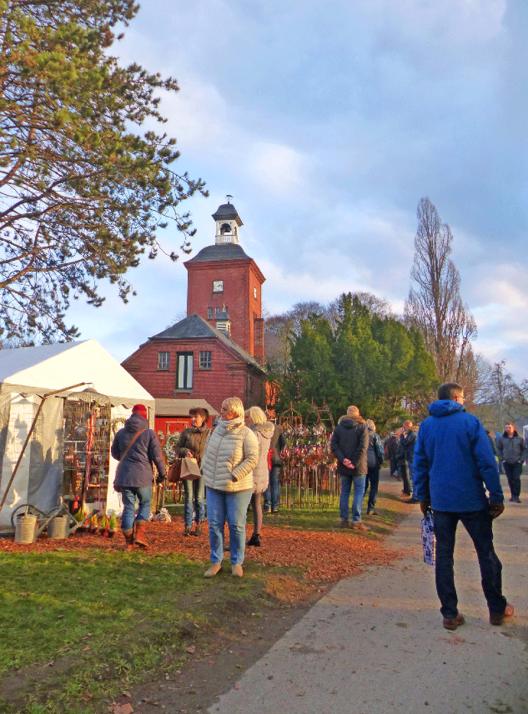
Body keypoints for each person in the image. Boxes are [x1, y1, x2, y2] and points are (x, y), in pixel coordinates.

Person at [413, 382, 513, 630]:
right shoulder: (470, 423)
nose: (465, 401)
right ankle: (497, 609)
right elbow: (486, 462)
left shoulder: (426, 426)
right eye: (464, 397)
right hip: (471, 500)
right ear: (457, 398)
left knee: (444, 557)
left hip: (441, 501)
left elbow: (420, 463)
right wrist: (496, 495)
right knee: (486, 553)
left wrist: (423, 496)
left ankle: (449, 613)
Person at [201, 396, 259, 577]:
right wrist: (204, 468)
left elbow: (252, 459)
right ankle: (216, 561)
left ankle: (237, 562)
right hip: (213, 485)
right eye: (222, 407)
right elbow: (207, 452)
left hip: (238, 487)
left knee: (236, 525)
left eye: (225, 408)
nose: (221, 410)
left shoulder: (246, 434)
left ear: (235, 412)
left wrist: (236, 474)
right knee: (214, 524)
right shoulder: (216, 431)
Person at [111, 404, 166, 549]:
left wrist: (127, 458)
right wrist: (162, 473)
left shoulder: (121, 433)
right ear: (145, 416)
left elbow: (115, 454)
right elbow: (157, 456)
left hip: (125, 476)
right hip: (143, 476)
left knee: (128, 507)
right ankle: (140, 535)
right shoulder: (149, 433)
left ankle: (129, 542)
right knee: (145, 504)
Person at [330, 405, 369, 531]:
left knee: (345, 492)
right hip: (359, 466)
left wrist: (343, 459)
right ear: (358, 414)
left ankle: (344, 519)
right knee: (358, 492)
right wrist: (353, 461)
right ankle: (356, 520)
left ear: (347, 414)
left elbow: (334, 445)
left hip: (344, 465)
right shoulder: (362, 427)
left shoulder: (339, 428)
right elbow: (363, 447)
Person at [176, 407, 210, 535]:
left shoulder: (209, 433)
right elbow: (178, 447)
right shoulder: (186, 433)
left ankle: (199, 524)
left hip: (203, 469)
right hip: (189, 467)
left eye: (196, 417)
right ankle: (188, 525)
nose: (193, 419)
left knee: (199, 498)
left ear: (203, 418)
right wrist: (185, 451)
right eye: (192, 416)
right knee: (189, 497)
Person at [245, 406, 274, 547]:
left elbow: (249, 453)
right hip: (262, 471)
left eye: (247, 417)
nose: (246, 420)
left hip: (251, 472)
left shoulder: (254, 434)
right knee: (257, 504)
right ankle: (256, 534)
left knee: (242, 505)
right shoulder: (267, 433)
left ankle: (240, 536)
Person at [496, 423, 526, 504]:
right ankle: (512, 495)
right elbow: (498, 449)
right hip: (507, 462)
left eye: (509, 427)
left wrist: (521, 459)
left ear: (513, 428)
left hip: (517, 462)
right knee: (510, 479)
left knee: (516, 478)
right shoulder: (502, 439)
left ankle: (516, 496)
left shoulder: (519, 439)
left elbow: (525, 449)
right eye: (506, 427)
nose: (508, 429)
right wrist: (502, 459)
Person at [264, 420, 286, 514]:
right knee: (275, 482)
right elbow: (283, 443)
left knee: (267, 482)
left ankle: (268, 505)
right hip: (276, 458)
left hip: (266, 458)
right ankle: (275, 506)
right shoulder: (278, 429)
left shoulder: (263, 428)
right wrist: (278, 451)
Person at [364, 419, 384, 515]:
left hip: (363, 463)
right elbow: (380, 451)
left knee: (363, 486)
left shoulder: (361, 435)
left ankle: (358, 506)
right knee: (374, 486)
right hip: (373, 463)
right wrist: (381, 462)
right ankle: (370, 508)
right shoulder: (375, 436)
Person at [399, 420, 418, 503]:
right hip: (412, 457)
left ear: (407, 426)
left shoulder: (412, 434)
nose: (403, 429)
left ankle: (416, 497)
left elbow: (405, 443)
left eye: (404, 427)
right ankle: (415, 495)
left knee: (414, 477)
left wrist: (402, 436)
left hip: (412, 457)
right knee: (413, 477)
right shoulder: (413, 433)